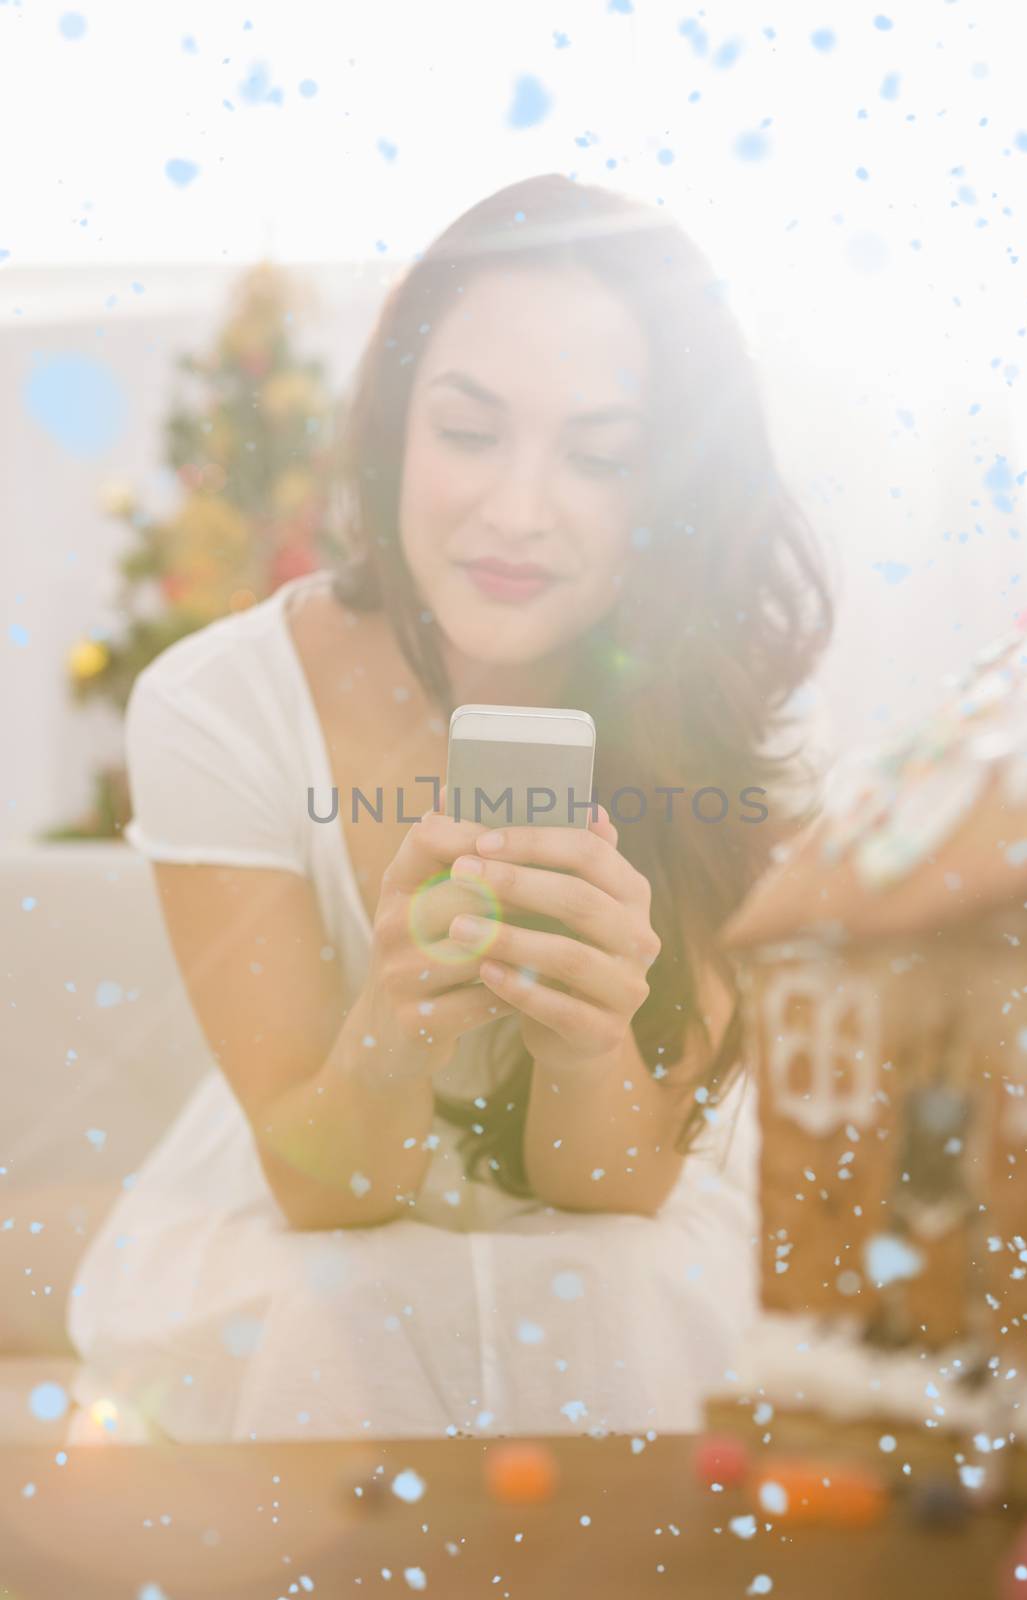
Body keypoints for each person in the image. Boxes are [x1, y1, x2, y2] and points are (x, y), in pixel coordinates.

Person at [64, 173, 834, 1445]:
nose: (517, 513)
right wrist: (397, 1018)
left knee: (622, 1285)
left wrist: (587, 1044)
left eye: (599, 456)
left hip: (618, 1226)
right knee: (337, 1304)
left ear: (670, 491)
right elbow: (327, 1194)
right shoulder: (218, 705)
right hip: (319, 1199)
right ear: (393, 431)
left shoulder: (723, 715)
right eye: (468, 433)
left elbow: (614, 1188)